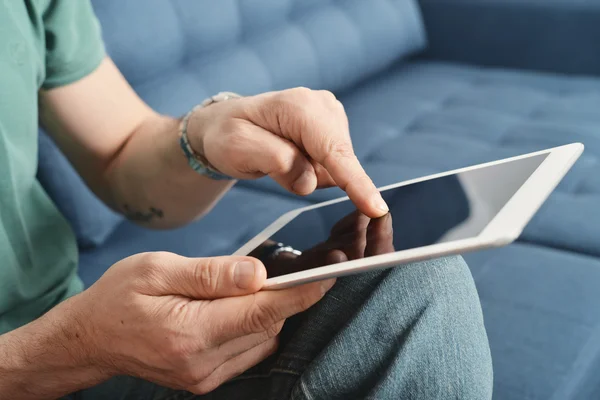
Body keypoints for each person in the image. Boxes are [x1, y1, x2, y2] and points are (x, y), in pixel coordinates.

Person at [0, 1, 493, 399]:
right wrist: (67, 350)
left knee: (414, 282)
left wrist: (208, 136)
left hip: (62, 327)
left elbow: (120, 153)